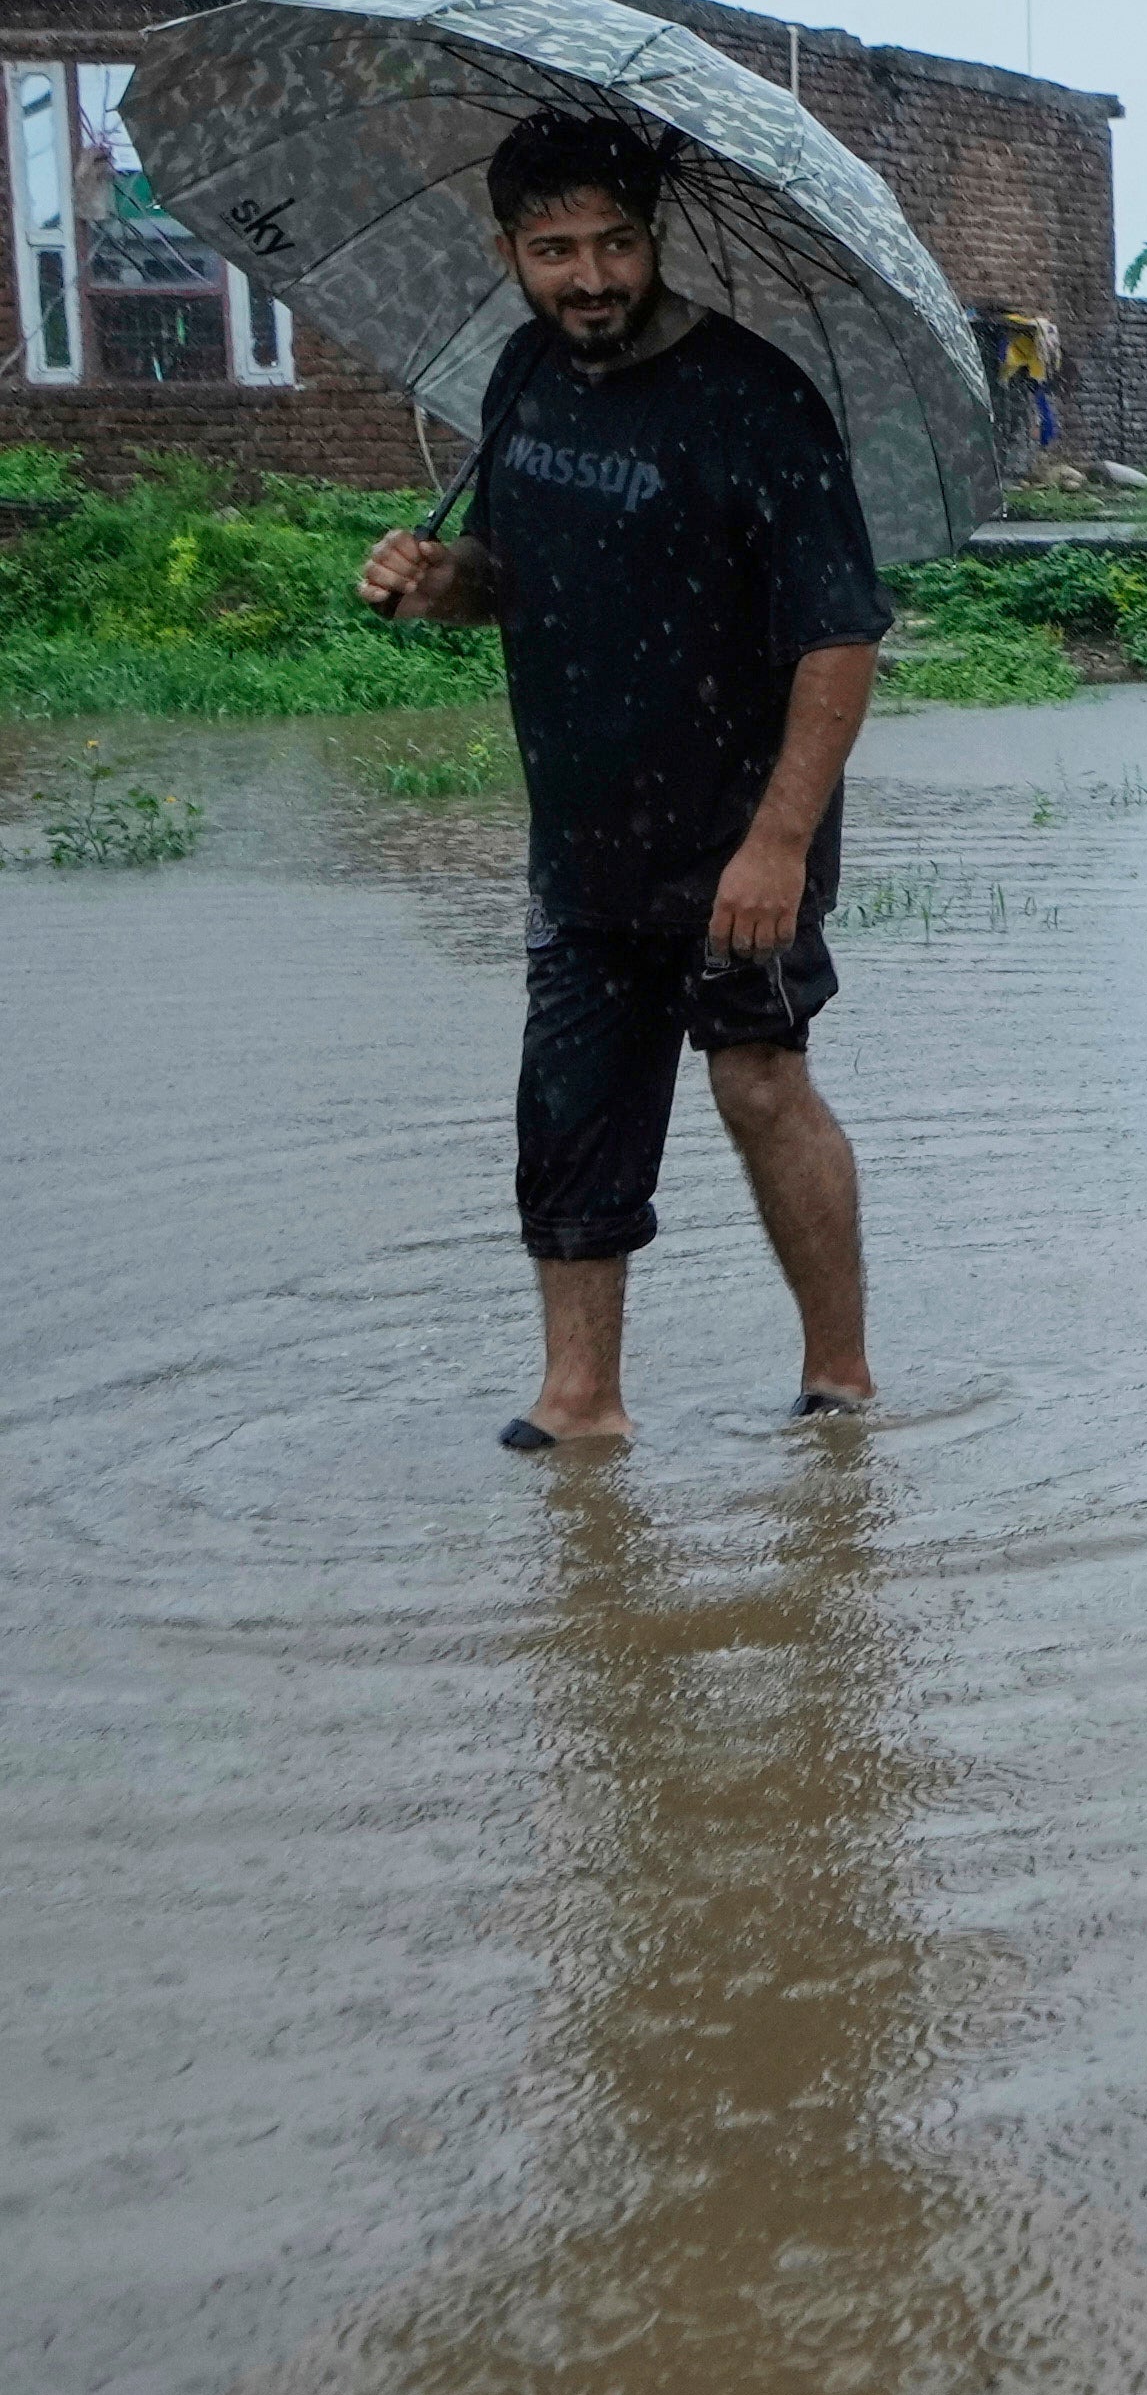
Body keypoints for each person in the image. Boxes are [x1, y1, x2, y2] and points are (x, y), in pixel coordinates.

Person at [360, 115, 890, 1449]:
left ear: (655, 240)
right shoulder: (521, 377)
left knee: (758, 1082)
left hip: (736, 829)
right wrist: (438, 583)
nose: (589, 278)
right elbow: (504, 578)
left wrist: (778, 843)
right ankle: (581, 1402)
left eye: (615, 244)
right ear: (508, 253)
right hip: (582, 835)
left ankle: (840, 1381)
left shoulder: (755, 400)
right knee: (572, 1108)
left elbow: (838, 638)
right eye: (555, 251)